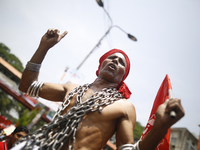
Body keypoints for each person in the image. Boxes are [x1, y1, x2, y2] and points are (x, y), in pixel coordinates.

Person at [14, 29, 185, 150]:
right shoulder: (71, 89)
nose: (115, 62)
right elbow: (27, 86)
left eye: (121, 63)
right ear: (101, 64)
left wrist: (160, 128)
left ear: (122, 77)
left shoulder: (124, 107)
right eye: (112, 58)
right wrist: (43, 47)